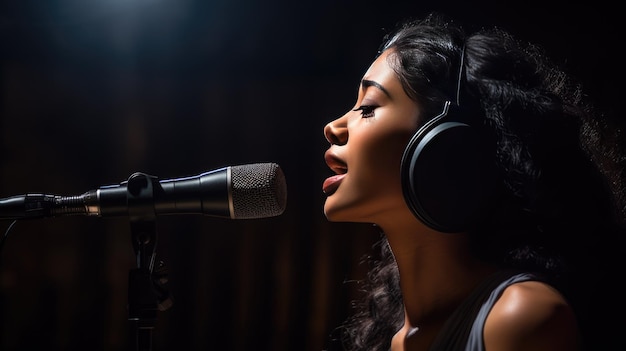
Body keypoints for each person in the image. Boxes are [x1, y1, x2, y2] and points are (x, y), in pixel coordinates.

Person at [321, 13, 626, 351]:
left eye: (367, 107)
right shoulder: (393, 341)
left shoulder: (519, 320)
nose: (333, 127)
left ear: (445, 146)